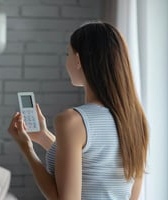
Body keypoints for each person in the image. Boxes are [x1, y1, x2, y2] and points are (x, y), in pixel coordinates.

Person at [8, 22, 149, 200]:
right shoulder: (136, 121)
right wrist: (43, 136)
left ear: (78, 60)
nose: (66, 61)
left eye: (67, 54)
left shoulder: (71, 120)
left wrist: (26, 148)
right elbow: (89, 162)